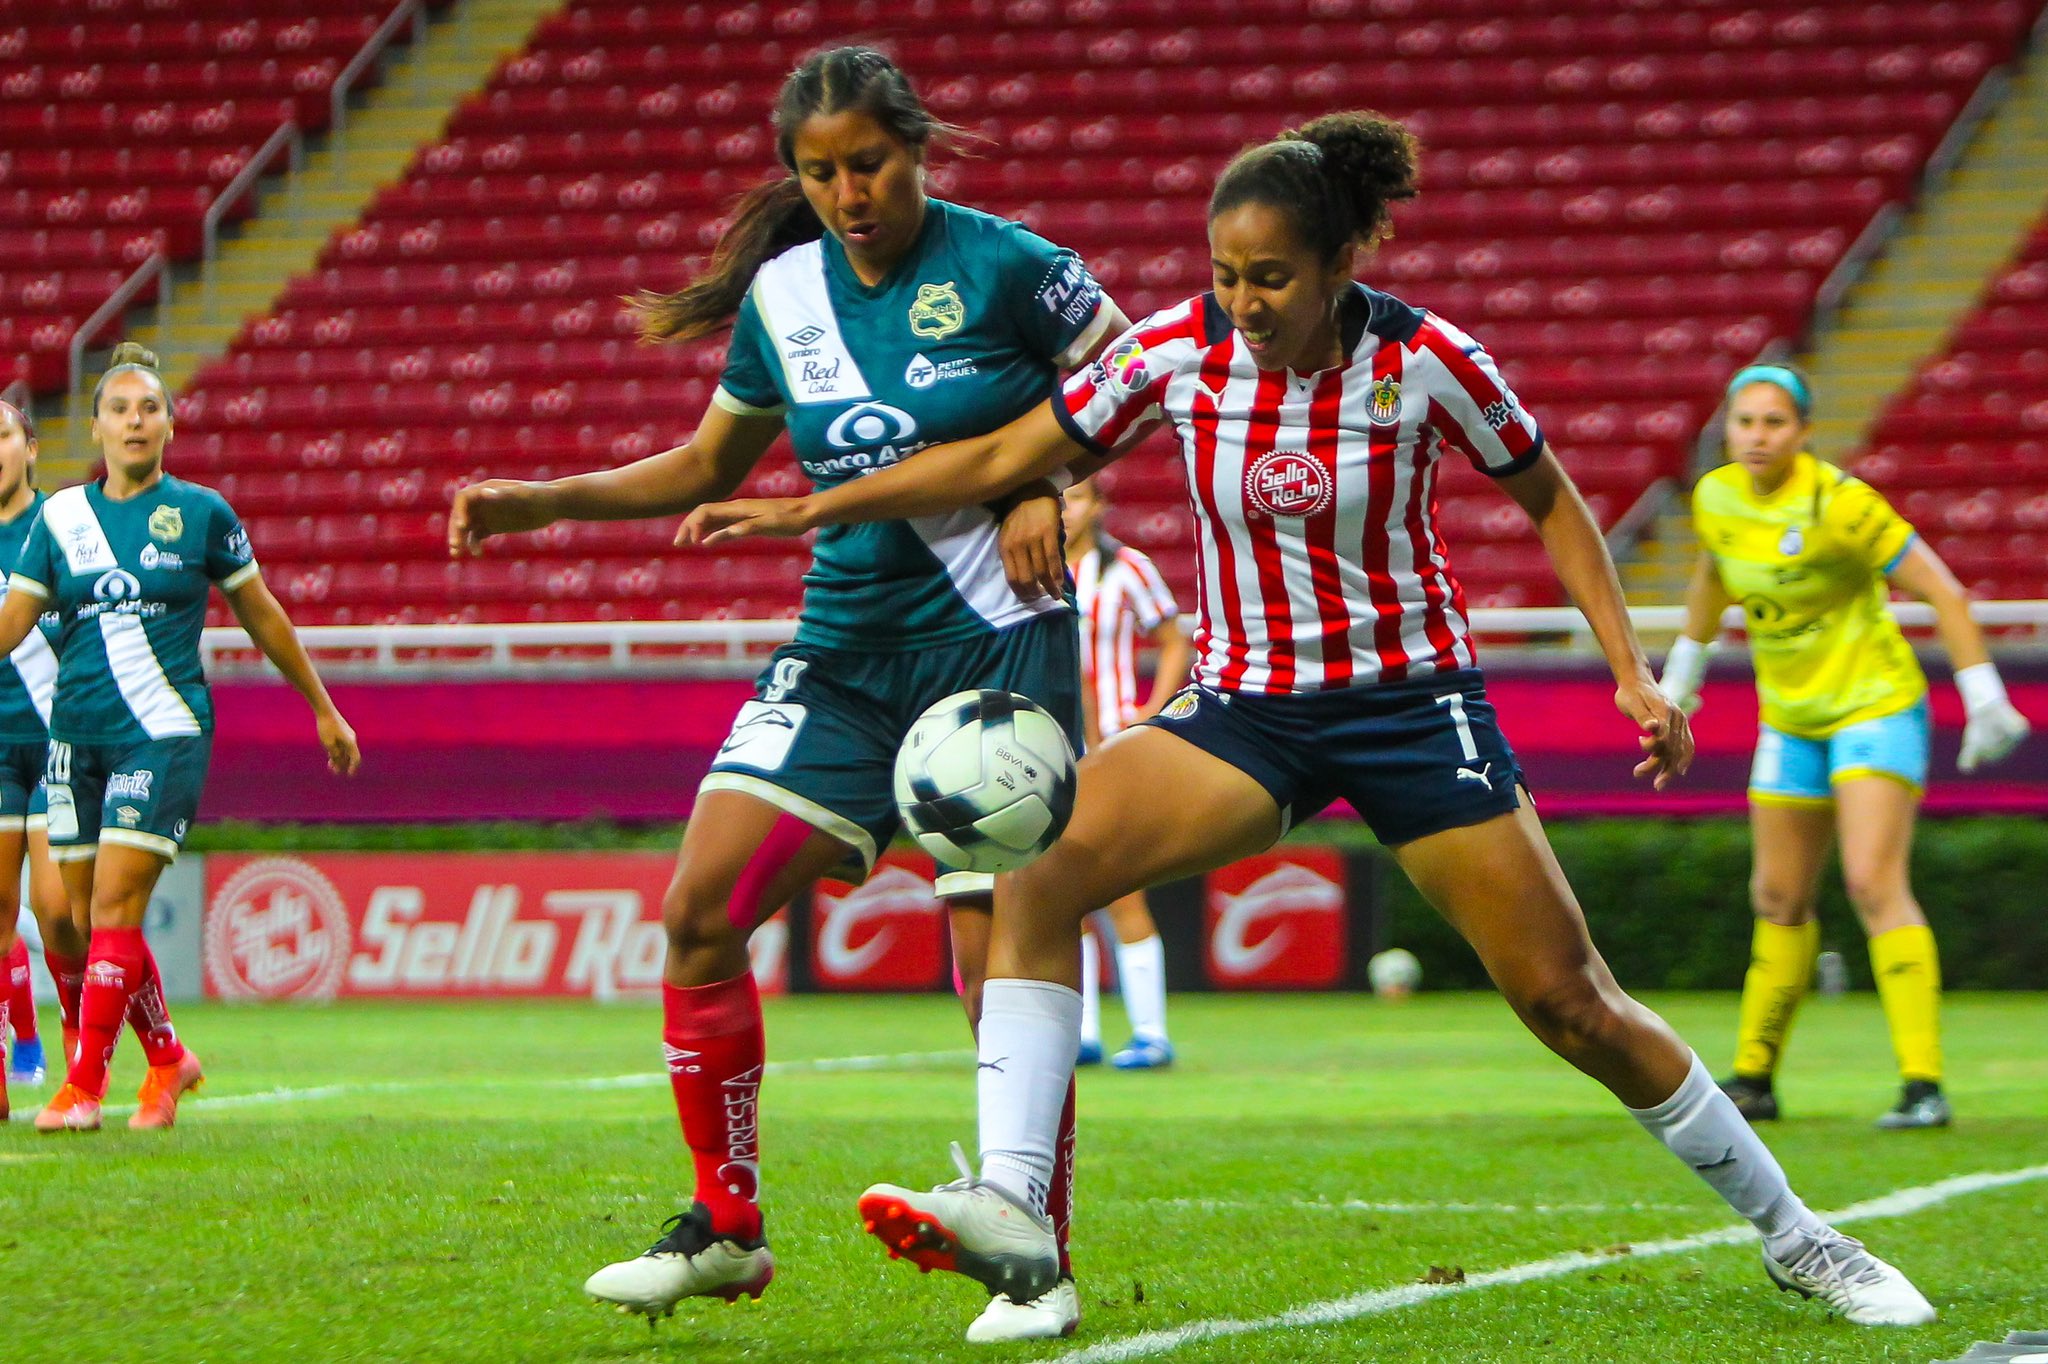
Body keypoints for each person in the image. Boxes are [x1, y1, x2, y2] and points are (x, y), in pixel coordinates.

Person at [684, 112, 1937, 1330]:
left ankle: (1798, 1233)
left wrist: (1634, 673)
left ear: (1344, 263)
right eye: (1225, 273)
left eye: (1272, 277)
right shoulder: (1170, 355)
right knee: (1035, 869)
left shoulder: (1426, 360)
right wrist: (811, 509)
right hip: (1244, 708)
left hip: (1407, 704)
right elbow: (1005, 450)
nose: (1242, 301)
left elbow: (1549, 499)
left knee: (1568, 1000)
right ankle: (1013, 1203)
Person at [448, 46, 1133, 1340]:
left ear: (915, 147)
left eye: (867, 164)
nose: (847, 192)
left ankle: (1034, 1251)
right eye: (818, 173)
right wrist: (547, 501)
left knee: (999, 954)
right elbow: (713, 461)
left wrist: (1063, 493)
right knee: (700, 907)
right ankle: (726, 1223)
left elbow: (1130, 400)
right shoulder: (786, 296)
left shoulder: (1016, 268)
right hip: (842, 652)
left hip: (994, 651)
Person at [0, 344, 360, 1133]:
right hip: (75, 738)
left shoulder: (203, 514)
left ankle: (82, 1089)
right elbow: (11, 626)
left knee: (115, 907)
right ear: (94, 426)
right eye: (120, 409)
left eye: (149, 408)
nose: (136, 420)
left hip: (161, 733)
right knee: (76, 921)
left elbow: (263, 613)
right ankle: (167, 1060)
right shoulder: (60, 519)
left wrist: (322, 706)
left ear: (170, 422)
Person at [1659, 366, 2030, 1130]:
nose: (1758, 436)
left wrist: (1984, 695)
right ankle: (1755, 1080)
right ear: (1727, 429)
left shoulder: (1842, 504)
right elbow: (1711, 579)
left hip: (1875, 707)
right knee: (1778, 897)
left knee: (1870, 881)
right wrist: (1680, 684)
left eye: (1774, 423)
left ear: (1803, 431)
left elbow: (1944, 591)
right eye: (1745, 422)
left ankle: (1923, 1085)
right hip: (1790, 719)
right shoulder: (1716, 498)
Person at [1061, 476, 1190, 1070]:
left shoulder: (1125, 569)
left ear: (1100, 507)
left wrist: (1154, 711)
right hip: (1052, 743)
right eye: (1059, 498)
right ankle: (1081, 1032)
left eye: (1079, 497)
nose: (1067, 509)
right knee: (1067, 894)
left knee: (1120, 886)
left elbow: (1173, 641)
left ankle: (1150, 1032)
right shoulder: (1026, 563)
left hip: (1113, 742)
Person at [0, 399, 71, 1113]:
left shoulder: (65, 528)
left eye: (1, 433)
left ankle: (83, 1043)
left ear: (30, 447)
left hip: (57, 745)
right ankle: (11, 1056)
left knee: (56, 913)